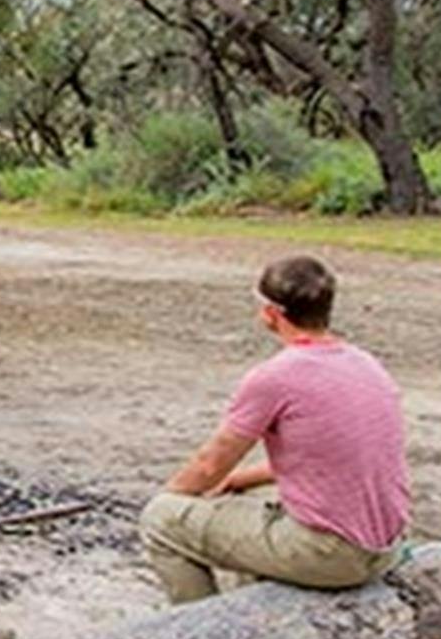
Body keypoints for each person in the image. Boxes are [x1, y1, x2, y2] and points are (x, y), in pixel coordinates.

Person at [139, 254, 409, 604]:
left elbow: (210, 464)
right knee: (239, 502)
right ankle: (252, 608)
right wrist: (240, 481)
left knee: (161, 521)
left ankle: (203, 631)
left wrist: (172, 498)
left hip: (335, 555)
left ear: (271, 312)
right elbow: (333, 456)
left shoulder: (276, 377)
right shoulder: (365, 363)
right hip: (385, 547)